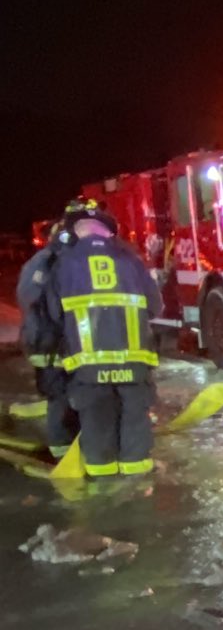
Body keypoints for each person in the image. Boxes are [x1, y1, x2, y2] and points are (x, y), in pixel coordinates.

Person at [41, 199, 162, 480]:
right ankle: (138, 486)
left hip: (87, 365)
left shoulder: (63, 264)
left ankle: (101, 487)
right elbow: (155, 307)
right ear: (107, 231)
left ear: (76, 231)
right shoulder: (132, 260)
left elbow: (53, 315)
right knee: (135, 421)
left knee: (96, 422)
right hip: (135, 361)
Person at [16, 211, 79, 458]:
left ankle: (74, 445)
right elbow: (32, 299)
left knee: (73, 395)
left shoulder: (62, 261)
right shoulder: (45, 263)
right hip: (50, 346)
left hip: (62, 343)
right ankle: (61, 452)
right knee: (60, 398)